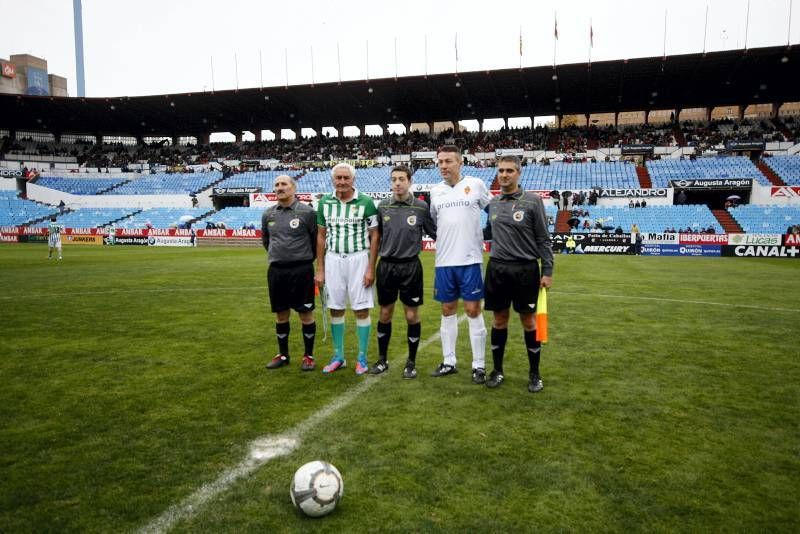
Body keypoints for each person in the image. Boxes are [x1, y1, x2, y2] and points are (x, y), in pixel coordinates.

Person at [482, 156, 553, 392]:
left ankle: (534, 374)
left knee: (528, 321)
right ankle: (497, 370)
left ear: (518, 173)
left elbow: (543, 238)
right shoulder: (493, 203)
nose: (504, 174)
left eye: (509, 170)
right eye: (501, 170)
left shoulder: (532, 201)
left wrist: (548, 270)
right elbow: (487, 233)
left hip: (525, 270)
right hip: (497, 269)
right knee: (499, 320)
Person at [428, 145, 491, 383]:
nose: (443, 166)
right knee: (447, 310)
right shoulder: (436, 192)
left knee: (473, 310)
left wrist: (483, 235)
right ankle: (449, 361)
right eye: (440, 162)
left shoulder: (475, 185)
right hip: (444, 262)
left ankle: (479, 365)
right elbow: (436, 222)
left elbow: (493, 211)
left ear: (460, 162)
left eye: (448, 161)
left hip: (470, 260)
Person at [369, 165, 436, 379]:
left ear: (409, 181)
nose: (397, 183)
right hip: (386, 266)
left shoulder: (420, 207)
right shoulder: (382, 206)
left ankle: (411, 362)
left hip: (410, 267)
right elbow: (375, 237)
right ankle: (382, 359)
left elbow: (437, 234)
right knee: (385, 313)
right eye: (394, 179)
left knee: (411, 315)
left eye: (401, 179)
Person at [315, 162, 380, 375]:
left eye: (346, 178)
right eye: (338, 178)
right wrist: (320, 269)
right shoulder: (325, 203)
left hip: (359, 259)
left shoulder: (366, 202)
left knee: (361, 309)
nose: (342, 182)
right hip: (333, 259)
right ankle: (338, 356)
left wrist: (371, 268)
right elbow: (321, 236)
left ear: (353, 180)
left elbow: (374, 235)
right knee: (336, 307)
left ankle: (362, 357)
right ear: (333, 180)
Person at [262, 175, 319, 371]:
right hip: (277, 270)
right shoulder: (268, 214)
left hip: (301, 270)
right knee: (281, 314)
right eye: (276, 184)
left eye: (284, 184)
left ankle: (308, 356)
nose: (280, 187)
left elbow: (315, 242)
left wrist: (301, 258)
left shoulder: (308, 213)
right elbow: (266, 242)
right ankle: (283, 355)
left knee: (305, 314)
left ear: (293, 188)